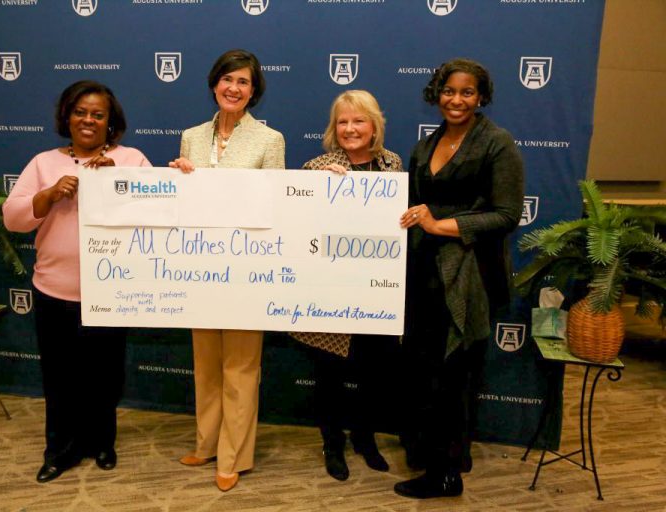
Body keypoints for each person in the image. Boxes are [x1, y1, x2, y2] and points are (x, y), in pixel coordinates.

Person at [3, 80, 151, 483]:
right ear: (67, 116)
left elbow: (159, 211)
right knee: (60, 376)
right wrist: (48, 195)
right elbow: (13, 217)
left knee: (105, 375)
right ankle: (60, 450)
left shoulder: (132, 158)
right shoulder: (44, 163)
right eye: (80, 112)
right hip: (55, 290)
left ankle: (102, 442)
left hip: (111, 290)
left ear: (110, 121)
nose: (88, 120)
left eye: (97, 114)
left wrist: (119, 181)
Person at [394, 58, 524, 499]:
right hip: (424, 273)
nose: (457, 99)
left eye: (467, 92)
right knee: (427, 372)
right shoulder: (424, 147)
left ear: (481, 97)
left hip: (467, 279)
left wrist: (440, 225)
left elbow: (506, 216)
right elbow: (409, 206)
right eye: (449, 91)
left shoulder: (497, 143)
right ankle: (437, 453)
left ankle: (445, 476)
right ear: (437, 93)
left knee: (453, 374)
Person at [168, 49, 285, 492]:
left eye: (244, 82)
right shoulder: (190, 136)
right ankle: (207, 442)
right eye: (227, 79)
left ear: (254, 92)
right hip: (199, 267)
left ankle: (234, 454)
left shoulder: (269, 140)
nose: (234, 88)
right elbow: (181, 203)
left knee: (241, 366)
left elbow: (275, 206)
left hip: (247, 270)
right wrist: (178, 179)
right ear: (214, 83)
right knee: (206, 363)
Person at [292, 90, 403, 481]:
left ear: (374, 126)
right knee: (330, 375)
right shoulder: (316, 167)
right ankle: (332, 441)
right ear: (333, 127)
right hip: (330, 293)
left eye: (359, 121)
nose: (350, 129)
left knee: (374, 374)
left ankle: (364, 437)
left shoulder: (393, 167)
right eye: (343, 121)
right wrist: (315, 190)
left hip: (376, 292)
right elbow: (295, 224)